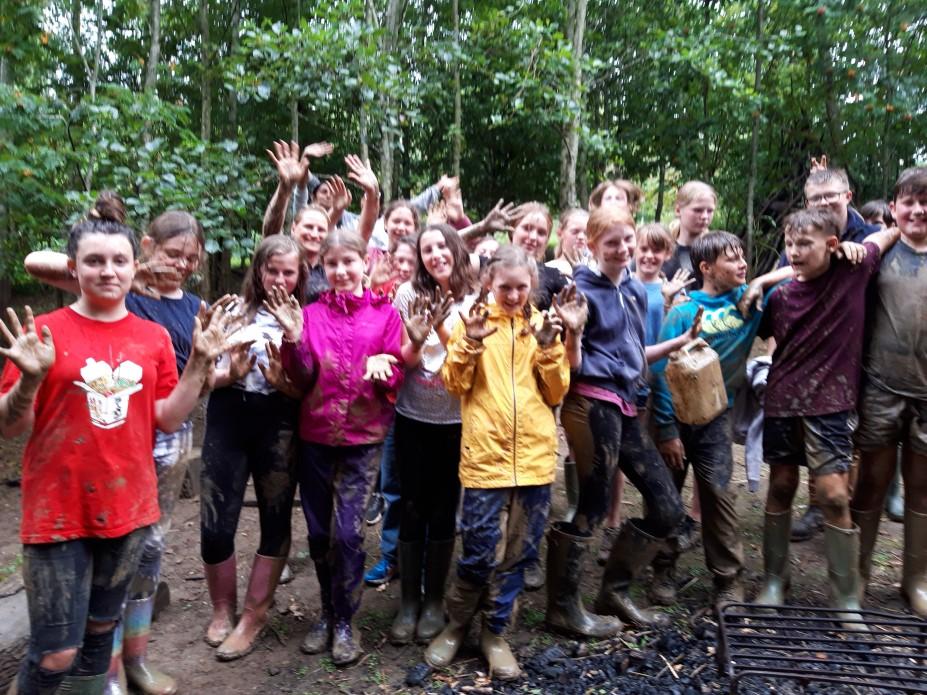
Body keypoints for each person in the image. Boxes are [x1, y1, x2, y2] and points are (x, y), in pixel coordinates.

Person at [0, 192, 229, 695]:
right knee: (55, 653)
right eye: (94, 261)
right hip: (57, 512)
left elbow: (167, 419)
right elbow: (10, 427)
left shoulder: (153, 337)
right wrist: (29, 381)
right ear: (74, 268)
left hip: (130, 508)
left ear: (133, 267)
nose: (108, 271)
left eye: (118, 261)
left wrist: (198, 366)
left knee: (102, 631)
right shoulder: (45, 332)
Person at [546, 206, 698, 639]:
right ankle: (562, 608)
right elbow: (572, 365)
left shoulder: (633, 289)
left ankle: (614, 592)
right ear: (593, 245)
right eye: (611, 242)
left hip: (627, 404)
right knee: (593, 505)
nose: (622, 249)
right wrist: (574, 332)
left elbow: (634, 353)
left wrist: (680, 341)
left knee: (667, 506)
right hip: (591, 403)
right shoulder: (579, 291)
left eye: (627, 239)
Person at [424, 245, 572, 679]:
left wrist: (549, 349)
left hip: (534, 458)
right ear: (488, 282)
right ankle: (456, 624)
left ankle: (495, 632)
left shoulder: (543, 325)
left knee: (520, 554)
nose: (512, 295)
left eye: (521, 287)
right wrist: (470, 342)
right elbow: (455, 384)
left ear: (533, 285)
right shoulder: (472, 321)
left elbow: (556, 392)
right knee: (479, 552)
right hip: (485, 458)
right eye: (504, 286)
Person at [265, 228, 406, 666]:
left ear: (365, 262)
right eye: (332, 263)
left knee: (347, 534)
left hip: (363, 440)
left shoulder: (385, 315)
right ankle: (326, 613)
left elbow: (396, 372)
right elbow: (303, 375)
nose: (341, 270)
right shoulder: (309, 314)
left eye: (349, 262)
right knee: (319, 532)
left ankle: (346, 620)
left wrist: (386, 369)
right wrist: (293, 338)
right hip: (317, 437)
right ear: (322, 267)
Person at [752, 207, 897, 629]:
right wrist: (758, 285)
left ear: (832, 245)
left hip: (832, 402)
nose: (794, 252)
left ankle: (846, 596)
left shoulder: (853, 272)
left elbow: (886, 235)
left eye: (804, 244)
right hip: (783, 399)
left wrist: (863, 243)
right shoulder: (780, 296)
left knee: (834, 494)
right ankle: (775, 580)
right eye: (790, 244)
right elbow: (756, 331)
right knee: (781, 486)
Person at [650, 231, 791, 609]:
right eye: (732, 259)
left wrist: (761, 281)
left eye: (743, 256)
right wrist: (666, 430)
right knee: (666, 496)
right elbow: (660, 372)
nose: (742, 264)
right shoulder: (683, 312)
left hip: (717, 417)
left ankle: (728, 579)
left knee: (719, 495)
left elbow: (798, 270)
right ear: (707, 268)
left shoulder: (750, 302)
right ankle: (663, 568)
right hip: (675, 417)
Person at [200, 235, 307, 661]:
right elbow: (200, 375)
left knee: (275, 517)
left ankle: (253, 615)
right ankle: (221, 609)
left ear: (299, 276)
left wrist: (286, 383)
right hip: (228, 415)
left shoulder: (306, 316)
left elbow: (312, 384)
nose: (279, 279)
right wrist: (229, 373)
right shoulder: (231, 311)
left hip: (279, 420)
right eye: (272, 270)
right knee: (215, 522)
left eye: (288, 272)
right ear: (258, 270)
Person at [388, 225, 478, 645]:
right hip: (413, 416)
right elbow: (401, 360)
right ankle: (408, 602)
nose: (436, 254)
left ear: (456, 249)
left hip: (457, 420)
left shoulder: (476, 298)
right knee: (412, 505)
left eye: (442, 245)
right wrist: (416, 338)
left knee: (444, 508)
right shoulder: (408, 294)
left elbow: (476, 361)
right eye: (427, 249)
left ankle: (435, 600)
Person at [788, 164, 884, 542]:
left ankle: (846, 507)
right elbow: (790, 272)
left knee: (854, 435)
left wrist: (860, 249)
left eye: (831, 195)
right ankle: (819, 506)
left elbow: (893, 238)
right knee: (819, 432)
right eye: (816, 198)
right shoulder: (803, 233)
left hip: (868, 347)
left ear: (848, 196)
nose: (824, 202)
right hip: (820, 352)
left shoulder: (870, 235)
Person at [850, 168, 927, 617]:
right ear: (894, 207)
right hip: (880, 386)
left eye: (925, 202)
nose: (918, 210)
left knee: (922, 487)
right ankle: (857, 573)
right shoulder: (877, 253)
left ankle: (916, 580)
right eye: (909, 201)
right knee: (872, 482)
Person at [598, 223, 694, 565]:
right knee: (621, 459)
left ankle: (654, 529)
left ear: (667, 254)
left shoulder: (674, 295)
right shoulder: (623, 286)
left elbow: (675, 339)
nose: (649, 256)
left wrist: (671, 304)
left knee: (656, 460)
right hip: (629, 385)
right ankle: (611, 524)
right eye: (644, 248)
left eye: (658, 250)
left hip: (661, 386)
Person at [662, 181, 718, 290]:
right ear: (678, 210)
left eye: (710, 211)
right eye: (698, 210)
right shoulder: (660, 251)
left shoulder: (718, 252)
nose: (705, 216)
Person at [546, 208, 590, 277]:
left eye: (586, 233)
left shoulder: (597, 268)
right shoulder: (548, 269)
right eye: (575, 232)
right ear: (560, 233)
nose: (581, 237)